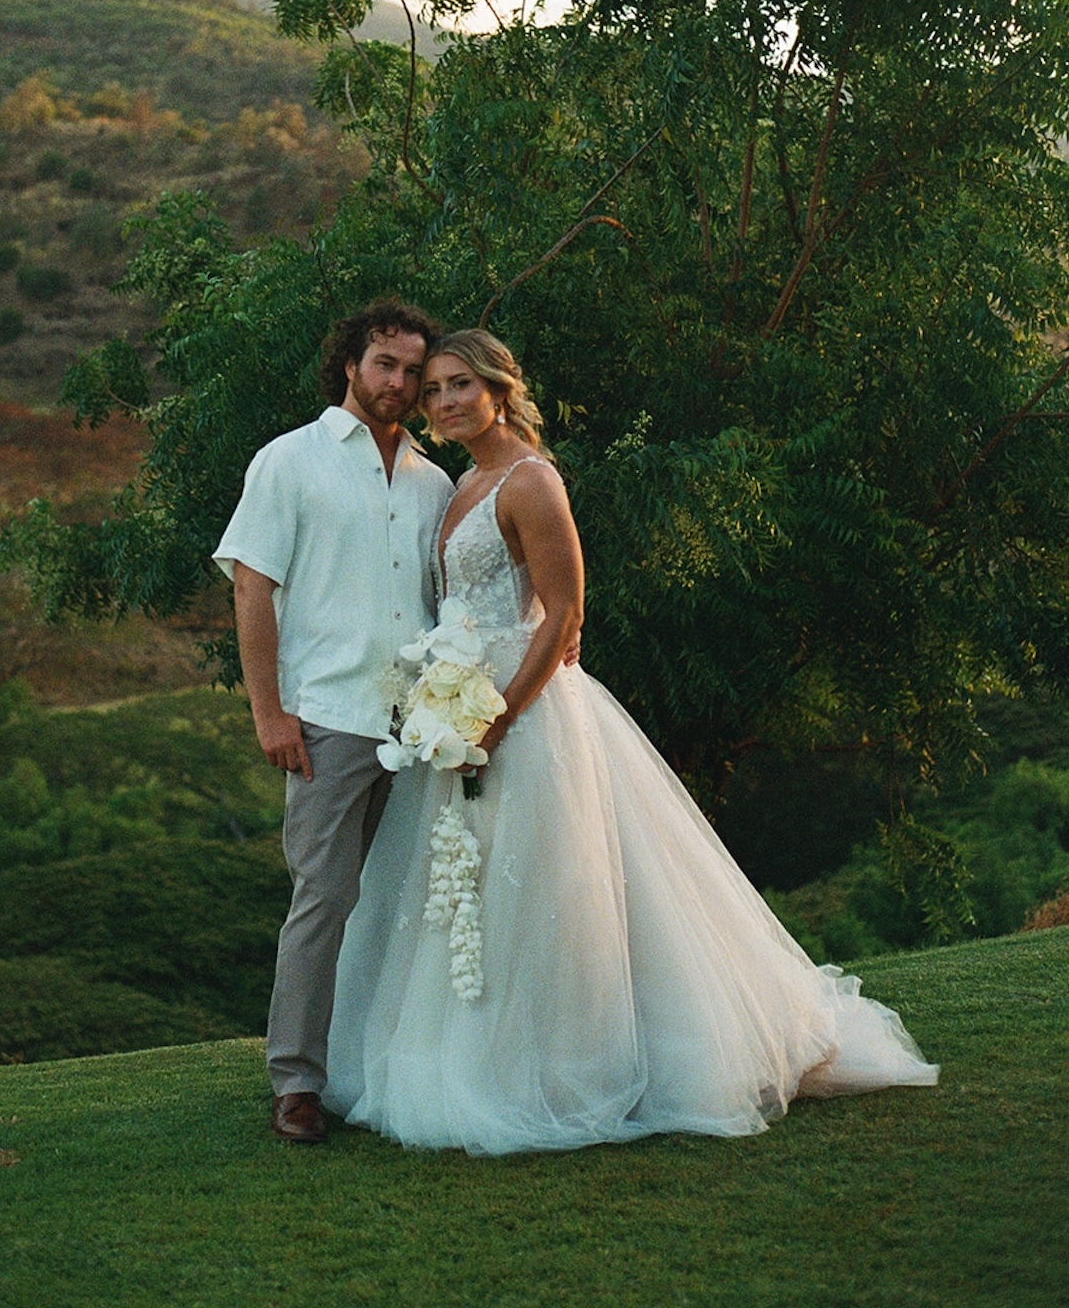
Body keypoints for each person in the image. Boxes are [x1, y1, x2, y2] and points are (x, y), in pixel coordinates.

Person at [325, 328, 939, 1155]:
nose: (443, 402)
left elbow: (565, 612)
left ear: (499, 388)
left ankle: (576, 1067)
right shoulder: (461, 484)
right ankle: (479, 1055)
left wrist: (500, 716)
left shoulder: (530, 481)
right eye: (432, 389)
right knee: (466, 893)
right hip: (458, 718)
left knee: (551, 891)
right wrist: (445, 706)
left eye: (459, 384)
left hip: (525, 716)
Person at [213, 299, 453, 1145]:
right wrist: (268, 710)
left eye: (412, 371)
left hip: (424, 729)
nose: (398, 382)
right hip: (328, 721)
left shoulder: (435, 481)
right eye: (384, 364)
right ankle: (296, 1083)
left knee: (409, 902)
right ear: (350, 364)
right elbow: (252, 587)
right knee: (322, 900)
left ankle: (385, 1066)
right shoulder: (290, 461)